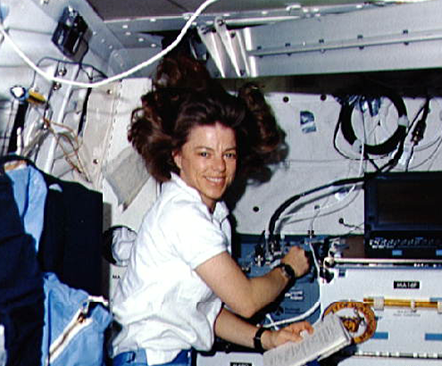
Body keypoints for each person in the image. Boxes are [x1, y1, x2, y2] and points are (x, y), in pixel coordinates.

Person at [110, 56, 312, 366]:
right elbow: (245, 300)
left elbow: (204, 314)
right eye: (204, 153)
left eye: (228, 154)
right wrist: (287, 269)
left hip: (164, 356)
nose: (219, 167)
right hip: (150, 358)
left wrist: (268, 339)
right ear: (177, 156)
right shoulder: (183, 215)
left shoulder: (211, 216)